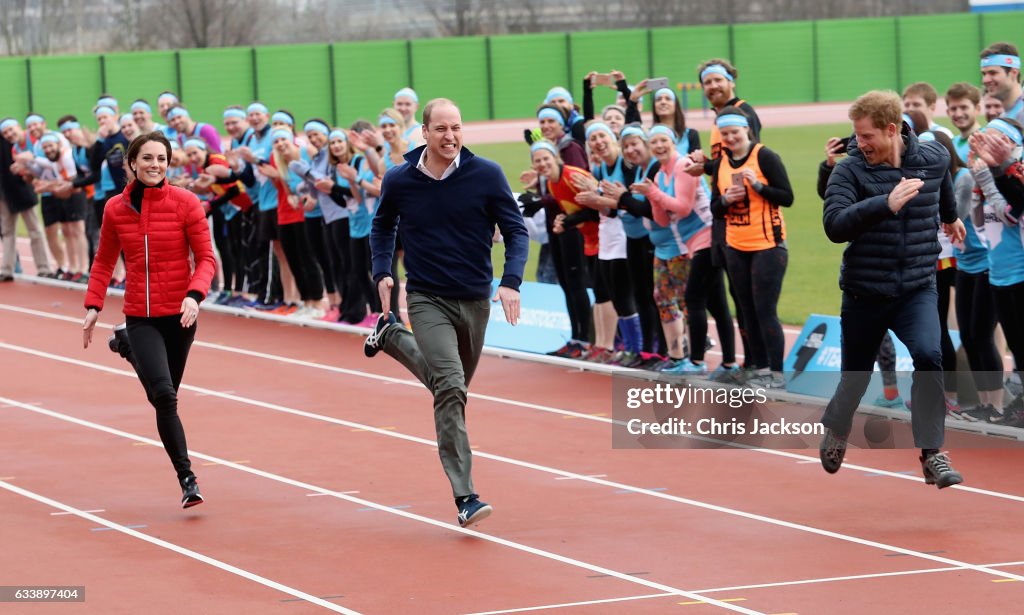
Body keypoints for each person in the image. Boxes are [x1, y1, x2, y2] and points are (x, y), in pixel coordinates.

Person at [365, 98, 528, 527]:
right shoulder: (400, 179)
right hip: (426, 297)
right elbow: (382, 225)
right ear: (424, 132)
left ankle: (390, 337)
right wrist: (383, 270)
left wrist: (510, 281)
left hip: (475, 298)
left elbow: (515, 229)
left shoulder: (486, 175)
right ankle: (466, 495)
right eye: (441, 129)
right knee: (451, 388)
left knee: (449, 390)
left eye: (456, 127)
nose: (450, 136)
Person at [820, 90, 966, 488]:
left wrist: (951, 217)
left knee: (928, 355)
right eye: (856, 135)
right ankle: (837, 424)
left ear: (891, 129)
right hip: (865, 291)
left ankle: (932, 453)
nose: (858, 143)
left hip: (917, 287)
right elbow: (834, 225)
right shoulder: (849, 171)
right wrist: (884, 203)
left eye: (866, 136)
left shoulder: (933, 156)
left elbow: (943, 180)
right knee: (855, 377)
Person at [82, 131, 217, 508]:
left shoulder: (186, 202)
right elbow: (105, 260)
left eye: (161, 158)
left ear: (168, 164)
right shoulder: (114, 209)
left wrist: (194, 295)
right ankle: (187, 478)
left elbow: (206, 258)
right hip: (140, 316)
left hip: (180, 316)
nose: (154, 165)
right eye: (147, 158)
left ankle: (125, 347)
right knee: (165, 396)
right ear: (131, 164)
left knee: (163, 396)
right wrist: (93, 304)